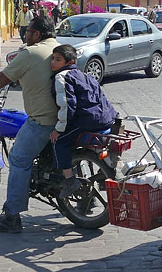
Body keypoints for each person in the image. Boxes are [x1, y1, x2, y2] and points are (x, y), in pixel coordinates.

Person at [0, 16, 59, 233]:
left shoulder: (29, 53)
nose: (25, 34)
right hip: (66, 119)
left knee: (18, 159)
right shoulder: (61, 48)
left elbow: (4, 77)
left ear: (37, 34)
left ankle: (11, 216)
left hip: (43, 120)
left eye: (28, 31)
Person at [49, 44, 118, 198]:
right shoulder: (82, 74)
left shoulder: (62, 77)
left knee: (58, 143)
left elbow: (67, 106)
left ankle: (69, 180)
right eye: (52, 58)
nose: (53, 62)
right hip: (106, 118)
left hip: (87, 121)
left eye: (57, 59)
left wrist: (59, 130)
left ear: (68, 62)